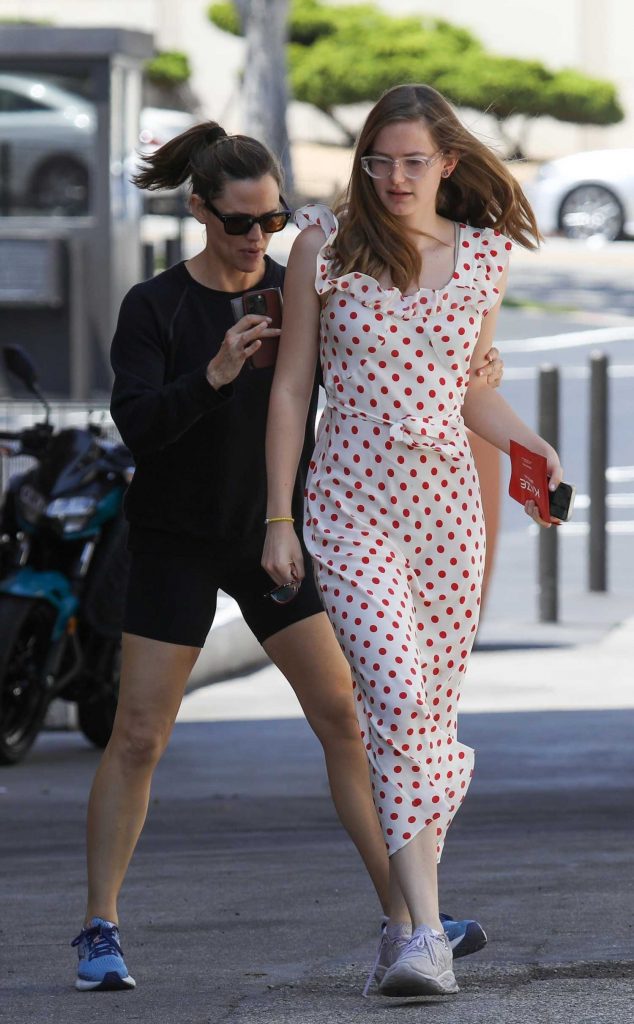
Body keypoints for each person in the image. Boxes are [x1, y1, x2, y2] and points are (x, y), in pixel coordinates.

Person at [70, 121, 505, 993]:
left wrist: (472, 366)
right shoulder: (156, 307)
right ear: (198, 211)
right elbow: (139, 427)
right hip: (176, 538)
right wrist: (216, 375)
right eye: (241, 223)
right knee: (141, 734)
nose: (259, 238)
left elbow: (394, 355)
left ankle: (412, 915)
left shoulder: (300, 280)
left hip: (285, 537)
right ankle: (100, 926)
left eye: (272, 219)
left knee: (347, 716)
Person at [262, 83, 563, 998]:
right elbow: (291, 389)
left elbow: (468, 389)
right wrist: (280, 517)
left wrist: (530, 442)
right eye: (378, 160)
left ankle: (404, 932)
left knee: (426, 717)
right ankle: (427, 933)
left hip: (445, 515)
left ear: (449, 165)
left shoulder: (482, 258)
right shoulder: (324, 246)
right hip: (349, 507)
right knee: (390, 694)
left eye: (413, 161)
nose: (393, 178)